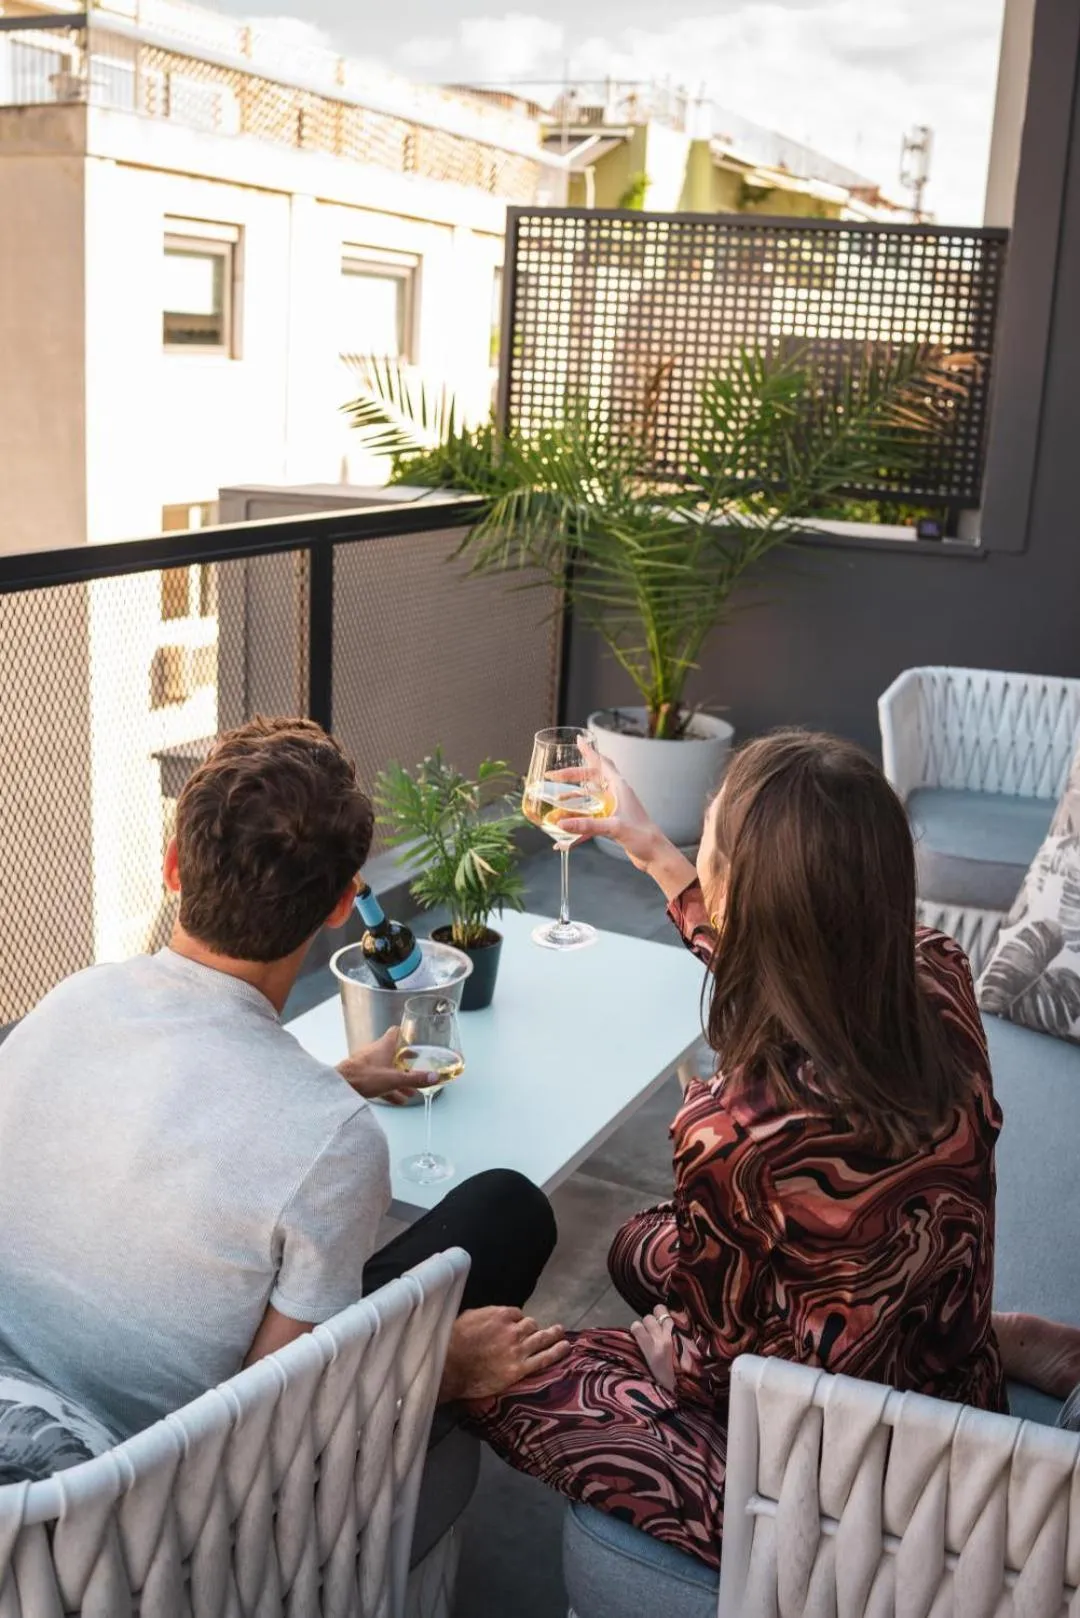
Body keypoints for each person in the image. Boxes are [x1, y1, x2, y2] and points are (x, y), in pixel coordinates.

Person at [465, 729, 1006, 1570]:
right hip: (940, 1367)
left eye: (707, 847)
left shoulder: (732, 1133)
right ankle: (981, 1334)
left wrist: (670, 1360)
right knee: (634, 1245)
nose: (699, 860)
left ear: (747, 899)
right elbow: (793, 952)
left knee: (509, 1370)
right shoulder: (935, 970)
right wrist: (651, 849)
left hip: (832, 1492)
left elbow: (718, 1374)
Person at [0, 716, 567, 1447]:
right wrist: (439, 1367)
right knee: (506, 1209)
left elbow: (147, 1124)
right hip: (142, 1486)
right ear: (339, 910)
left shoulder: (69, 1001)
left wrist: (331, 1085)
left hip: (18, 1390)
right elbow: (277, 1422)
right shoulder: (336, 1145)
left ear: (173, 865)